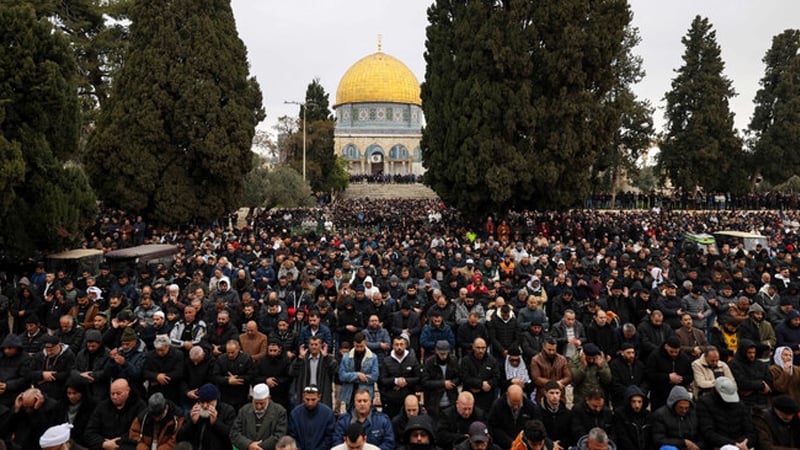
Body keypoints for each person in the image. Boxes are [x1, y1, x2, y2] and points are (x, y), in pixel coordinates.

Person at [696, 376, 756, 450]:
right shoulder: (704, 403)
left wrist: (744, 443)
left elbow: (750, 430)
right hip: (718, 445)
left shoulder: (739, 404)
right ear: (717, 390)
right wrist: (733, 444)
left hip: (742, 444)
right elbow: (708, 432)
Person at [85, 379, 146, 450]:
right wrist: (103, 443)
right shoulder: (102, 406)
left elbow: (138, 432)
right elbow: (89, 432)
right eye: (112, 393)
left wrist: (118, 442)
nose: (115, 397)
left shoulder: (140, 407)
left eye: (118, 393)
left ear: (128, 390)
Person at [177, 383, 237, 450]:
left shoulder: (227, 411)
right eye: (202, 402)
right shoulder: (194, 411)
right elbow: (180, 438)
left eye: (208, 402)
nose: (205, 406)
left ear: (216, 400)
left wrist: (216, 423)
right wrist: (192, 422)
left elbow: (232, 437)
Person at [230, 383, 288, 450]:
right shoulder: (244, 410)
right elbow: (234, 433)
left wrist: (258, 447)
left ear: (268, 398)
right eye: (256, 403)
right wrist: (249, 444)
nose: (258, 406)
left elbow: (279, 435)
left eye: (261, 403)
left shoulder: (279, 412)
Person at [645, 336, 693, 409]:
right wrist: (668, 377)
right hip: (659, 395)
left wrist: (680, 379)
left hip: (678, 396)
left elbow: (690, 376)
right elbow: (649, 374)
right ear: (666, 346)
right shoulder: (655, 356)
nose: (674, 354)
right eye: (671, 351)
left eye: (676, 352)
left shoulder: (684, 358)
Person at [379, 336, 421, 418]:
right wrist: (395, 381)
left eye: (401, 344)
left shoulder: (412, 360)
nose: (399, 347)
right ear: (393, 346)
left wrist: (405, 381)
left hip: (408, 399)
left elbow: (418, 378)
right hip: (391, 401)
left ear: (405, 345)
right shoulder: (386, 361)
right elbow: (382, 380)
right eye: (396, 344)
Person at [289, 336, 337, 408]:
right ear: (308, 345)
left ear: (321, 345)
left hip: (322, 391)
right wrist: (299, 359)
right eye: (311, 344)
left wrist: (326, 357)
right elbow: (292, 372)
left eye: (316, 344)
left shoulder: (327, 358)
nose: (314, 347)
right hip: (305, 390)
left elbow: (334, 370)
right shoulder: (303, 358)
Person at [650, 386, 703, 450]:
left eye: (686, 408)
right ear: (673, 404)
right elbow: (658, 440)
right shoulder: (660, 415)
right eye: (681, 407)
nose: (684, 411)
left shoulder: (694, 413)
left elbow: (703, 435)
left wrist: (696, 446)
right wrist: (683, 443)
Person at [338, 333, 380, 411]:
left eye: (361, 346)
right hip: (350, 394)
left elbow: (374, 377)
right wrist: (357, 375)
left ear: (365, 343)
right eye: (357, 346)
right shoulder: (346, 357)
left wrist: (351, 377)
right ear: (354, 343)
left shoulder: (373, 357)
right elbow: (342, 376)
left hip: (366, 395)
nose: (359, 348)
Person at [487, 385, 537, 449]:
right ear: (507, 396)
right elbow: (493, 427)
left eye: (518, 403)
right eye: (513, 403)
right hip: (502, 445)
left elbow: (534, 427)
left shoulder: (530, 407)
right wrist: (510, 442)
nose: (516, 407)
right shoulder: (497, 406)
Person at [287, 385, 336, 450]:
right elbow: (292, 436)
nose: (310, 403)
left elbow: (329, 437)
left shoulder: (328, 413)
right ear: (303, 397)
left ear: (319, 397)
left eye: (313, 400)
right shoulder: (295, 414)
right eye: (307, 399)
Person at [421, 340, 460, 419]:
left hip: (451, 399)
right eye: (441, 354)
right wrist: (443, 384)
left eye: (445, 353)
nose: (444, 356)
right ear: (436, 351)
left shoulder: (454, 361)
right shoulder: (429, 362)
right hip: (434, 402)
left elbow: (459, 377)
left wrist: (452, 383)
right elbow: (425, 382)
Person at [212, 339, 255, 411]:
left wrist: (236, 379)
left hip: (241, 396)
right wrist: (227, 380)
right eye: (228, 352)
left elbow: (251, 376)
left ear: (238, 349)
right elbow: (215, 376)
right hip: (225, 396)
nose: (230, 355)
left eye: (232, 352)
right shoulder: (221, 359)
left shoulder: (246, 359)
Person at [729, 338, 773, 408]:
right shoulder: (734, 364)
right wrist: (761, 385)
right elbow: (742, 383)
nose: (752, 355)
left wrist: (753, 388)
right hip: (744, 402)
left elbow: (769, 380)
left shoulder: (760, 364)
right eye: (749, 353)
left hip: (762, 401)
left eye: (754, 353)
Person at [460, 337, 500, 413]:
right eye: (478, 348)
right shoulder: (466, 360)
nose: (481, 350)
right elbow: (464, 378)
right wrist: (481, 384)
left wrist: (488, 384)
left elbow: (497, 378)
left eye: (483, 348)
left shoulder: (492, 361)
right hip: (470, 399)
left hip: (487, 400)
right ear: (473, 347)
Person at [142, 335, 184, 404]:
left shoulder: (178, 355)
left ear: (168, 346)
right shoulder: (150, 355)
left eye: (162, 350)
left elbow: (179, 373)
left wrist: (160, 379)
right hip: (154, 392)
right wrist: (156, 376)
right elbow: (145, 372)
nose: (159, 353)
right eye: (157, 350)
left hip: (171, 391)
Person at [530, 338, 571, 403]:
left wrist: (560, 382)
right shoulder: (536, 360)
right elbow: (536, 378)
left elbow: (568, 377)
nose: (551, 352)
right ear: (544, 347)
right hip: (543, 396)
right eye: (549, 350)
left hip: (560, 396)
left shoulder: (562, 359)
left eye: (553, 350)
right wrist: (554, 384)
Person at [533, 381, 572, 448]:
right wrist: (551, 444)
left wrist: (560, 445)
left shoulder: (566, 412)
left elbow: (569, 432)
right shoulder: (538, 410)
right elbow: (538, 431)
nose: (555, 396)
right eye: (551, 393)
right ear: (545, 393)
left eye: (557, 393)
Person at [611, 386, 650, 450]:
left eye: (639, 402)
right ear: (628, 402)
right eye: (633, 401)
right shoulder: (620, 415)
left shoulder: (647, 415)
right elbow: (622, 438)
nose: (637, 405)